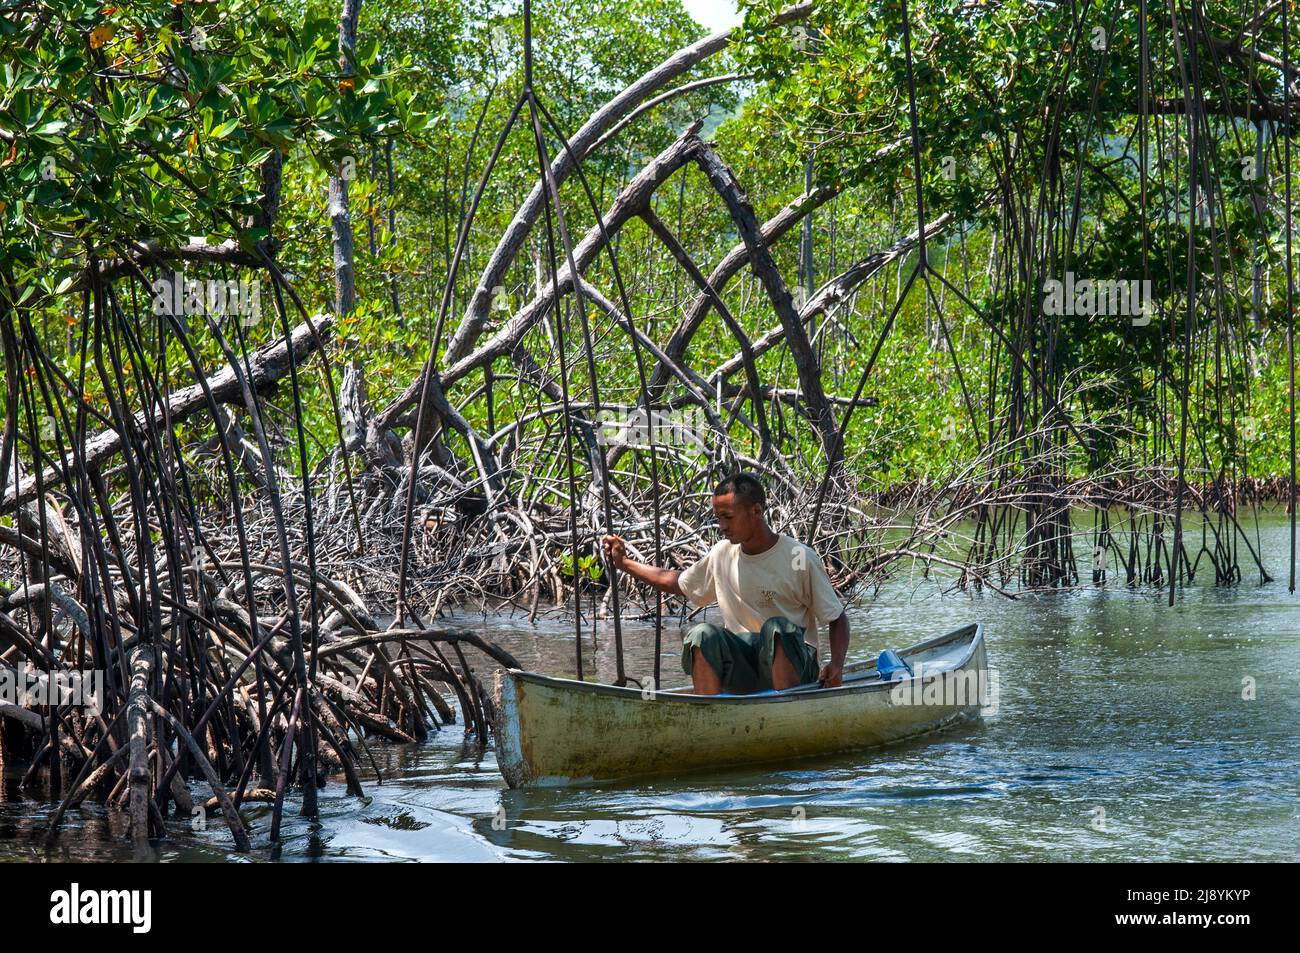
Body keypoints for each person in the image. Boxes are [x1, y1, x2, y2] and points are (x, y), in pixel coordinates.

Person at [601, 472, 849, 695]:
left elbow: (836, 618)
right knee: (701, 635)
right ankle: (711, 713)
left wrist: (836, 665)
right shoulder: (722, 553)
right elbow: (677, 582)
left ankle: (786, 706)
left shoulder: (798, 557)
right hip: (746, 667)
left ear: (756, 511)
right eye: (718, 518)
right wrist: (625, 563)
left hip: (796, 666)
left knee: (777, 628)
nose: (722, 526)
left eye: (728, 517)